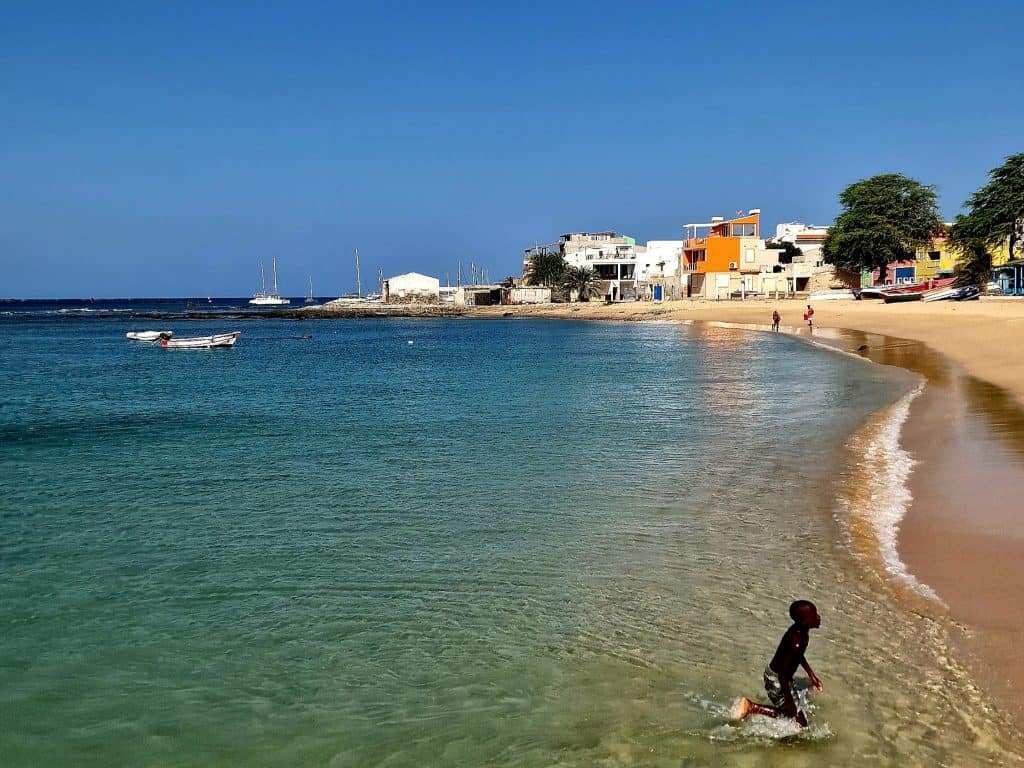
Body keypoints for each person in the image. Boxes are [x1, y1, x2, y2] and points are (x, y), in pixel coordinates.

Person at [733, 600, 823, 727]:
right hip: (778, 679)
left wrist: (811, 675)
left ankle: (753, 707)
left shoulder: (800, 632)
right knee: (798, 723)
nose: (818, 617)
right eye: (814, 615)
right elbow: (783, 675)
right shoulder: (796, 642)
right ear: (804, 621)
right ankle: (752, 707)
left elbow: (798, 656)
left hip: (779, 676)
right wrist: (789, 701)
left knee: (796, 720)